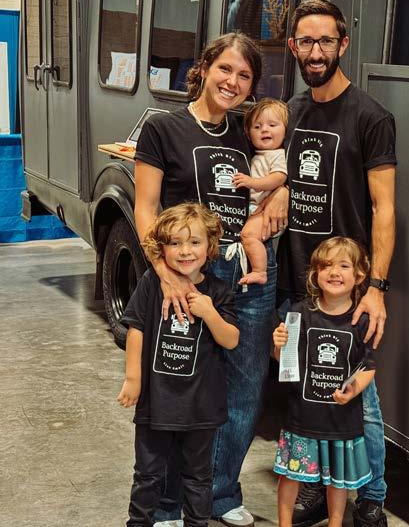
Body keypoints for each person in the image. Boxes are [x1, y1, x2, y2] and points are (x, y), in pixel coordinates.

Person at [134, 32, 288, 526]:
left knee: (244, 385)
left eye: (244, 75)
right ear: (203, 68)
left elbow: (280, 166)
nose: (232, 82)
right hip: (190, 271)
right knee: (181, 386)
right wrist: (165, 273)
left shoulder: (249, 128)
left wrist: (282, 192)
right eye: (225, 69)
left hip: (249, 270)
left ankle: (219, 493)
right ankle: (170, 501)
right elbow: (146, 208)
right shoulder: (164, 127)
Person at [277, 0, 397, 527]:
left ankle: (371, 498)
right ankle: (313, 487)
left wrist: (377, 287)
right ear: (293, 47)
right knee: (306, 391)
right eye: (306, 41)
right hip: (296, 281)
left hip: (348, 289)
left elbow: (384, 208)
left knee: (359, 401)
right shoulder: (292, 111)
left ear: (343, 44)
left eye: (326, 41)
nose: (316, 52)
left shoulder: (371, 117)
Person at [117, 203, 240, 527]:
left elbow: (231, 340)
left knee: (198, 478)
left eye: (194, 242)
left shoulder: (219, 291)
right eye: (175, 243)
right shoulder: (151, 283)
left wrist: (210, 313)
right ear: (162, 248)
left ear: (210, 246)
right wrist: (133, 378)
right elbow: (136, 329)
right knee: (147, 474)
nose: (185, 251)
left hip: (201, 407)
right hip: (156, 402)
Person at [273, 237, 376, 527]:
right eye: (326, 265)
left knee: (337, 481)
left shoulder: (361, 321)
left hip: (341, 421)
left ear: (359, 275)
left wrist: (352, 391)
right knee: (291, 475)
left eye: (343, 266)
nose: (334, 272)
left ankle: (335, 523)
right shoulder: (300, 312)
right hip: (302, 418)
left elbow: (368, 368)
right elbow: (285, 362)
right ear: (315, 273)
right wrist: (278, 345)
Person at [232, 98, 288, 286]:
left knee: (248, 236)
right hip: (254, 208)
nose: (264, 130)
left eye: (272, 125)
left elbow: (278, 177)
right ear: (248, 134)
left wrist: (252, 182)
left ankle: (259, 271)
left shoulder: (278, 154)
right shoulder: (257, 154)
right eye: (257, 127)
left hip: (266, 212)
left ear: (285, 130)